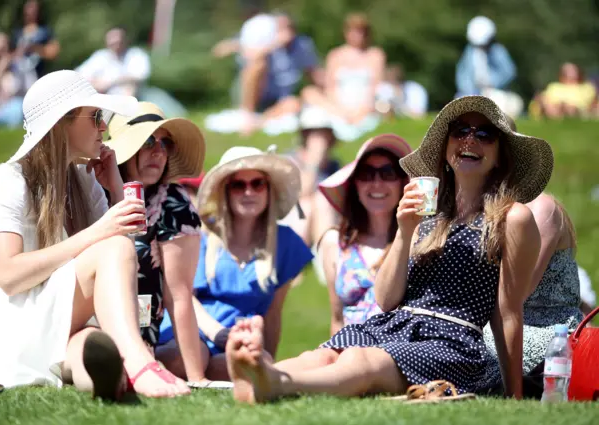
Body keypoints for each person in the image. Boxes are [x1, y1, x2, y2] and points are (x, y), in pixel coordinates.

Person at [224, 95, 552, 403]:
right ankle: (254, 377)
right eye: (460, 131)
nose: (470, 140)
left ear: (499, 157)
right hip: (395, 323)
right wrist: (405, 231)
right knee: (323, 355)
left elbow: (508, 312)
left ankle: (275, 383)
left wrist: (515, 396)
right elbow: (386, 299)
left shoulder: (513, 218)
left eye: (485, 134)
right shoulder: (428, 211)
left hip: (452, 342)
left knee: (362, 361)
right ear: (447, 147)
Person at [0, 70, 191, 399]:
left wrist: (114, 188)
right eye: (96, 116)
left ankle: (107, 379)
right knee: (107, 249)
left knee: (90, 345)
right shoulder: (9, 180)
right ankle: (138, 362)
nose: (104, 127)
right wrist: (99, 230)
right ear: (62, 122)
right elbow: (9, 275)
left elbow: (119, 264)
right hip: (11, 318)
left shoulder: (84, 181)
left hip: (56, 317)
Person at [158, 146, 313, 380]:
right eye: (238, 185)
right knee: (194, 356)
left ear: (269, 190)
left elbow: (274, 313)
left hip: (240, 339)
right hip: (191, 330)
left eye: (257, 184)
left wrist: (266, 360)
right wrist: (217, 334)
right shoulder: (200, 235)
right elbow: (183, 296)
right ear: (225, 192)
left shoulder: (286, 242)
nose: (248, 192)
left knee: (252, 365)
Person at [104, 102, 208, 384]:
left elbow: (179, 294)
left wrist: (197, 378)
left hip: (139, 336)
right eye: (148, 141)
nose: (158, 152)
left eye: (165, 143)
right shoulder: (89, 191)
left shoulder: (172, 201)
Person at [479, 192, 585, 397]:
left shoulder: (541, 208)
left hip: (550, 331)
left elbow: (517, 293)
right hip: (498, 323)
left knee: (462, 345)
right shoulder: (479, 206)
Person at [318, 134, 412, 336]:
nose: (376, 183)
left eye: (388, 173)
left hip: (397, 356)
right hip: (348, 352)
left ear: (402, 183)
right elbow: (337, 319)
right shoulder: (334, 242)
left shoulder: (416, 240)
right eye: (366, 173)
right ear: (355, 184)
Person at [300, 13, 383, 142]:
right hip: (338, 106)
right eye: (354, 31)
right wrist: (341, 110)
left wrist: (360, 111)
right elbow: (330, 87)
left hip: (363, 105)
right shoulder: (335, 55)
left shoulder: (375, 55)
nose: (357, 36)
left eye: (361, 32)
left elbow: (375, 88)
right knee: (309, 92)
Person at [280, 107, 340, 249]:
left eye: (323, 134)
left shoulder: (334, 166)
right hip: (293, 219)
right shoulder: (290, 160)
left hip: (323, 219)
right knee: (306, 204)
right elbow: (303, 191)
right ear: (305, 136)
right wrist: (314, 161)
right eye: (314, 133)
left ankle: (325, 254)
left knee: (321, 200)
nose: (320, 139)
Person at [455, 16, 522, 118]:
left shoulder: (498, 50)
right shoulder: (469, 51)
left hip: (495, 92)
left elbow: (509, 72)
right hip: (473, 93)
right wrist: (468, 92)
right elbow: (462, 74)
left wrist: (492, 84)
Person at [76, 27, 151, 98]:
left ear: (125, 40)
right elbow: (80, 74)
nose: (116, 45)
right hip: (102, 97)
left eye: (118, 41)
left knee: (130, 87)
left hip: (130, 97)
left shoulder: (136, 54)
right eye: (112, 42)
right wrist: (96, 83)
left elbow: (139, 76)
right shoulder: (101, 55)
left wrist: (109, 82)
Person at [12, 0, 61, 80]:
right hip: (19, 76)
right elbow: (10, 54)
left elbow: (54, 52)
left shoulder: (45, 31)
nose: (32, 10)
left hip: (39, 75)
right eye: (29, 7)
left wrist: (35, 48)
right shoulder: (17, 33)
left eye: (34, 8)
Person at [531, 63, 598, 119]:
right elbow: (545, 99)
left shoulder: (586, 87)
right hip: (556, 107)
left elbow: (593, 104)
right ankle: (556, 113)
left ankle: (560, 113)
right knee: (547, 103)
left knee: (569, 108)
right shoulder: (554, 86)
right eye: (567, 72)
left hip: (578, 110)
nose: (570, 74)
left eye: (572, 71)